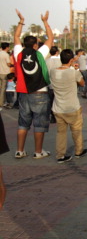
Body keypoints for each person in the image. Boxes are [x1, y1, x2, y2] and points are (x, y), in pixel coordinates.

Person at [13, 9, 54, 159]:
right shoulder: (39, 53)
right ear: (36, 45)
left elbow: (16, 36)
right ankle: (38, 152)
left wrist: (21, 20)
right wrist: (45, 21)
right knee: (39, 124)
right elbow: (50, 38)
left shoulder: (18, 52)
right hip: (40, 92)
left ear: (24, 44)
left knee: (23, 123)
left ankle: (19, 150)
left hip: (23, 92)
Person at [49, 49, 86, 163]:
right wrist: (76, 69)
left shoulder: (53, 71)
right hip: (72, 107)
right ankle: (79, 151)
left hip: (58, 107)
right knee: (77, 130)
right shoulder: (73, 72)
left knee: (61, 132)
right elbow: (82, 83)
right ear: (71, 60)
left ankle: (60, 155)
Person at [0, 42, 12, 110]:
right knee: (3, 89)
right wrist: (12, 65)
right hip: (5, 73)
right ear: (7, 47)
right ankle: (1, 102)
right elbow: (8, 64)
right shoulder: (6, 55)